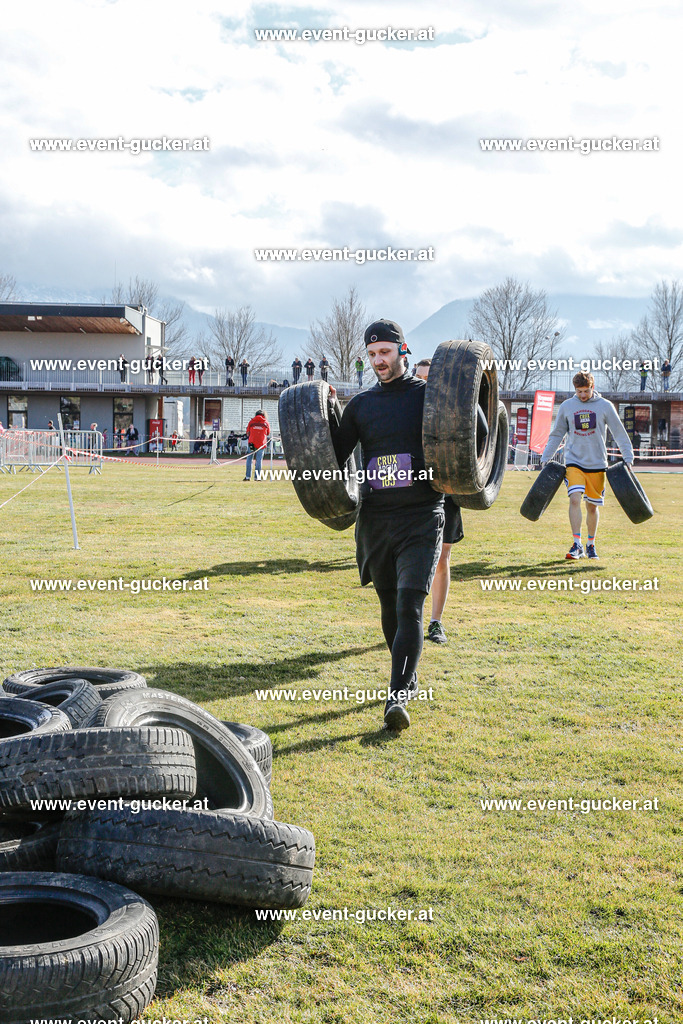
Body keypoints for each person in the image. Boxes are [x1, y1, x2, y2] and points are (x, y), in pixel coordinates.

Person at [330, 319, 444, 732]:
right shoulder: (361, 406)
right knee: (389, 605)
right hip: (376, 518)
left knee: (410, 603)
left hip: (421, 514)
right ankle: (406, 677)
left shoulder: (430, 397)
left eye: (386, 352)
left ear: (402, 350)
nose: (379, 360)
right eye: (373, 354)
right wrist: (321, 409)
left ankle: (397, 697)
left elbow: (475, 434)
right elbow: (334, 455)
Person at [540, 371, 634, 560]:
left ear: (593, 386)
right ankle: (577, 544)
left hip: (598, 464)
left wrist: (628, 456)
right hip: (574, 462)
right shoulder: (567, 406)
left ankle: (591, 545)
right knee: (574, 499)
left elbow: (619, 432)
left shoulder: (605, 406)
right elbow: (557, 434)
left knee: (592, 507)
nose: (582, 395)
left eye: (586, 390)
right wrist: (546, 457)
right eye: (579, 391)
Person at [415, 357, 465, 644]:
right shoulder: (405, 406)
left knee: (442, 557)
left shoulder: (453, 408)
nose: (424, 384)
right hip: (413, 490)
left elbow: (482, 433)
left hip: (447, 488)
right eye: (419, 378)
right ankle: (409, 618)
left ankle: (435, 623)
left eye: (429, 379)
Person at [244, 409, 270, 480]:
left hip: (252, 443)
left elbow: (247, 432)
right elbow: (268, 433)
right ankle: (257, 477)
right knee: (259, 460)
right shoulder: (265, 422)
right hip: (261, 444)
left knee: (249, 459)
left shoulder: (251, 422)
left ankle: (247, 477)